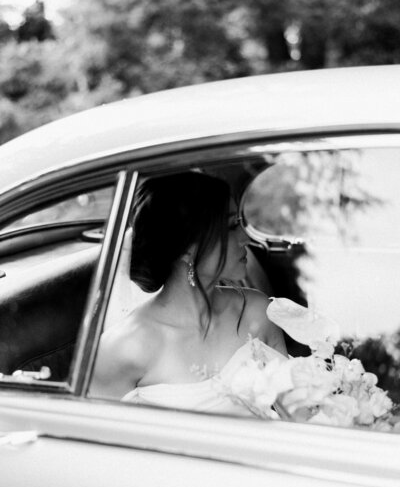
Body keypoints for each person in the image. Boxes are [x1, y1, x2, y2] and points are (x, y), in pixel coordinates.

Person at [90, 171, 287, 415]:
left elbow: (296, 413)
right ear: (186, 249)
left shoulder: (257, 312)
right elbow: (95, 434)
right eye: (231, 226)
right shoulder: (124, 348)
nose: (246, 237)